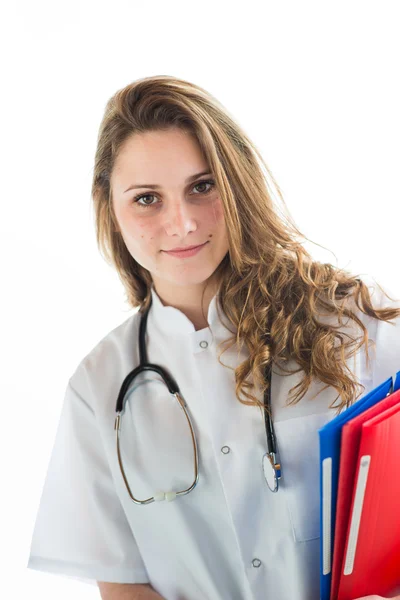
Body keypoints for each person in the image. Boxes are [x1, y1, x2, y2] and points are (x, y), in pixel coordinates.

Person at [27, 75, 400, 600]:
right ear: (110, 207)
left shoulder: (351, 320)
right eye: (147, 199)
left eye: (202, 187)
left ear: (236, 183)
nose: (181, 223)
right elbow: (124, 585)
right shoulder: (98, 386)